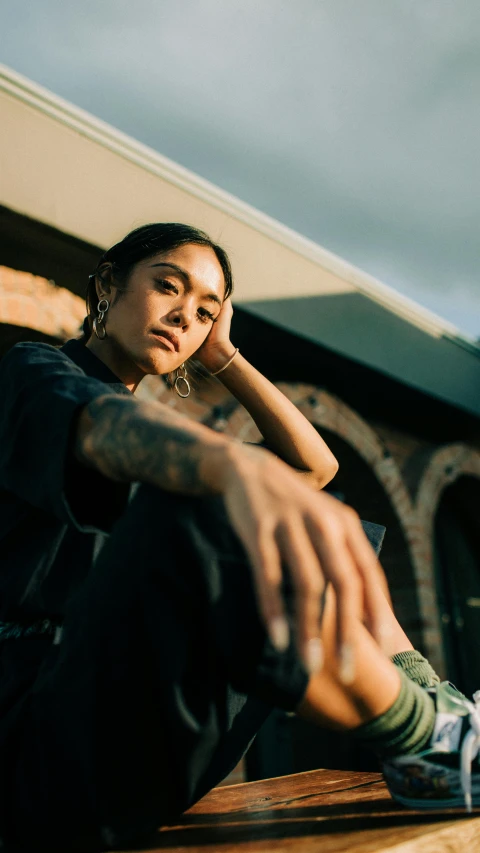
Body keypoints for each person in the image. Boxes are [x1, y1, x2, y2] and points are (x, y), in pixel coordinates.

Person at [0, 223, 478, 851]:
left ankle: (438, 723)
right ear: (109, 286)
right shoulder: (32, 372)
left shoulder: (162, 438)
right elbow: (96, 426)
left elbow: (315, 467)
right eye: (167, 286)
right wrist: (230, 467)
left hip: (125, 737)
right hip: (31, 741)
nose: (183, 316)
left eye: (204, 311)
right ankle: (435, 738)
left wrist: (223, 356)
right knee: (228, 509)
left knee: (327, 524)